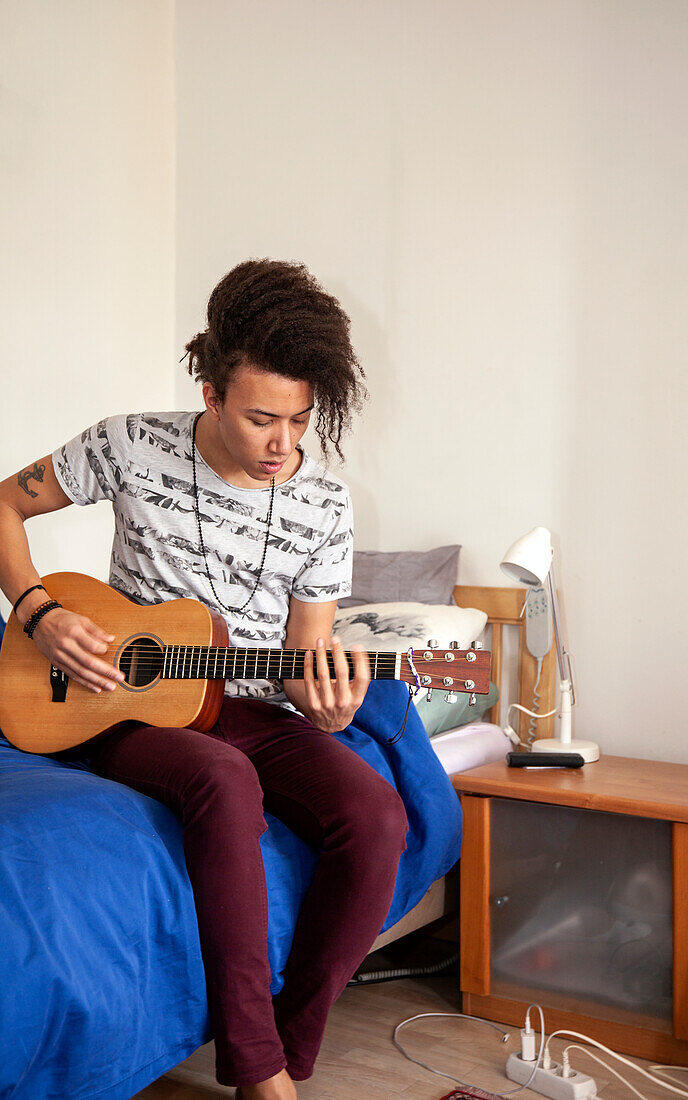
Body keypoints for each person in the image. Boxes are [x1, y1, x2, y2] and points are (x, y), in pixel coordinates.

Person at [0, 259, 409, 1100]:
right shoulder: (128, 442)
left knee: (374, 813)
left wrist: (328, 711)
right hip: (121, 704)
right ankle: (258, 1075)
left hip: (249, 704)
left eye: (300, 421)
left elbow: (304, 658)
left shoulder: (324, 507)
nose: (282, 446)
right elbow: (2, 503)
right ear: (211, 388)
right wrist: (40, 611)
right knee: (221, 781)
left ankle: (291, 1050)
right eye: (262, 418)